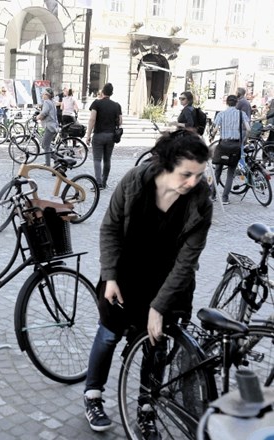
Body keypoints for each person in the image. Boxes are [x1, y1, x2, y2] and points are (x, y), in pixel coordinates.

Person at [83, 129, 213, 438]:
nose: (193, 182)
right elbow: (110, 228)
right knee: (108, 335)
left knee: (156, 346)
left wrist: (159, 306)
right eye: (186, 174)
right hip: (125, 276)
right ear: (168, 164)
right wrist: (110, 276)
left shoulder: (200, 201)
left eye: (199, 175)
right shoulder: (135, 181)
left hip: (169, 283)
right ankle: (92, 395)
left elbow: (186, 262)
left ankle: (146, 406)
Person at [211, 94, 250, 205]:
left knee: (218, 170)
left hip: (223, 144)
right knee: (230, 172)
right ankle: (225, 198)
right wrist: (244, 140)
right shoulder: (241, 114)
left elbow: (215, 129)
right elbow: (248, 129)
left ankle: (213, 195)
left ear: (227, 102)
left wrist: (212, 135)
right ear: (237, 102)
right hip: (235, 146)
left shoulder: (221, 114)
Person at [86, 83, 122, 189]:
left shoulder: (96, 103)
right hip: (111, 136)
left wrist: (88, 135)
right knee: (107, 159)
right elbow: (120, 122)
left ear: (102, 92)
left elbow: (92, 119)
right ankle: (104, 181)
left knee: (97, 159)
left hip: (98, 135)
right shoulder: (116, 105)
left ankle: (98, 183)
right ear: (111, 93)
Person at [36, 88, 59, 167]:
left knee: (45, 145)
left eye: (43, 94)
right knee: (45, 145)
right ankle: (56, 159)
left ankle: (48, 163)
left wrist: (37, 117)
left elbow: (44, 113)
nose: (42, 95)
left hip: (50, 126)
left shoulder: (46, 102)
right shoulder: (52, 102)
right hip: (53, 125)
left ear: (47, 95)